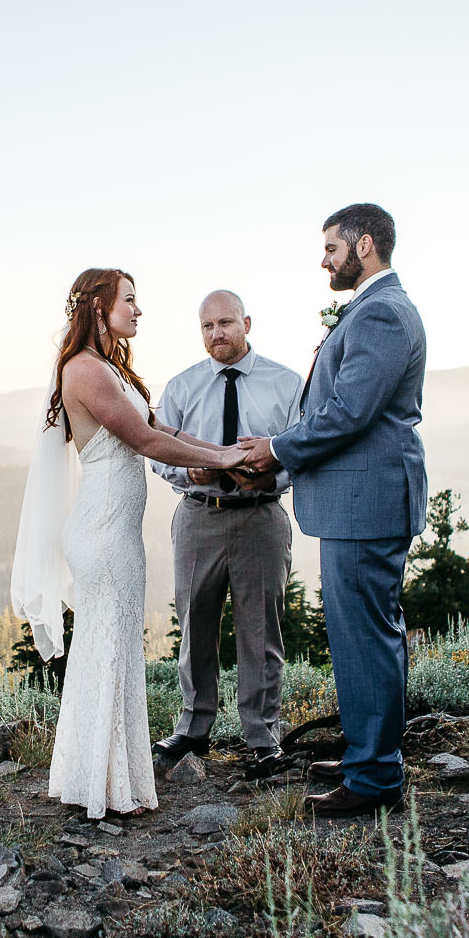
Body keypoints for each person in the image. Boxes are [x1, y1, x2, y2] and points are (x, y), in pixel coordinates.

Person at [11, 268, 252, 819]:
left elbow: (166, 430)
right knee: (106, 649)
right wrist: (223, 461)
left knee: (115, 650)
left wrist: (222, 450)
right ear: (99, 307)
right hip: (100, 533)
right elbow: (144, 440)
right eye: (130, 301)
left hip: (116, 531)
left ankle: (101, 776)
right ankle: (99, 783)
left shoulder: (111, 368)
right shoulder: (84, 370)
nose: (138, 311)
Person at [237, 203, 427, 818]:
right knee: (362, 636)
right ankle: (366, 755)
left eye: (331, 248)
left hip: (366, 505)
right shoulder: (376, 309)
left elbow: (350, 412)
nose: (324, 259)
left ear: (364, 244)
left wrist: (277, 449)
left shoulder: (383, 315)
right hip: (360, 504)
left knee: (366, 638)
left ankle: (374, 779)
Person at [148, 290, 303, 771]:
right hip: (199, 515)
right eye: (207, 326)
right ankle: (193, 730)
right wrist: (188, 473)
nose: (216, 334)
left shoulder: (287, 383)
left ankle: (262, 735)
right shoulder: (181, 386)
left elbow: (304, 450)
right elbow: (156, 452)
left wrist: (270, 474)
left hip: (261, 516)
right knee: (195, 624)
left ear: (247, 324)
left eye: (226, 324)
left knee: (261, 630)